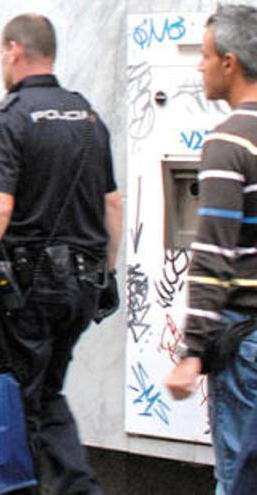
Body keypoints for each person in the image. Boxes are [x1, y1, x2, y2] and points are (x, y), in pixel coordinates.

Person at [0, 14, 122, 495]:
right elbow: (112, 205)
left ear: (14, 50)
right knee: (45, 394)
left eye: (1, 52)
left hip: (27, 291)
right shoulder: (88, 117)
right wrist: (107, 274)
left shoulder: (10, 116)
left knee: (5, 400)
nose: (0, 60)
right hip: (79, 287)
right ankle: (79, 488)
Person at [164, 5, 257, 494]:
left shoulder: (228, 141)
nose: (199, 66)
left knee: (238, 478)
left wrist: (192, 351)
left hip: (245, 346)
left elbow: (213, 255)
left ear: (231, 62)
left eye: (204, 56)